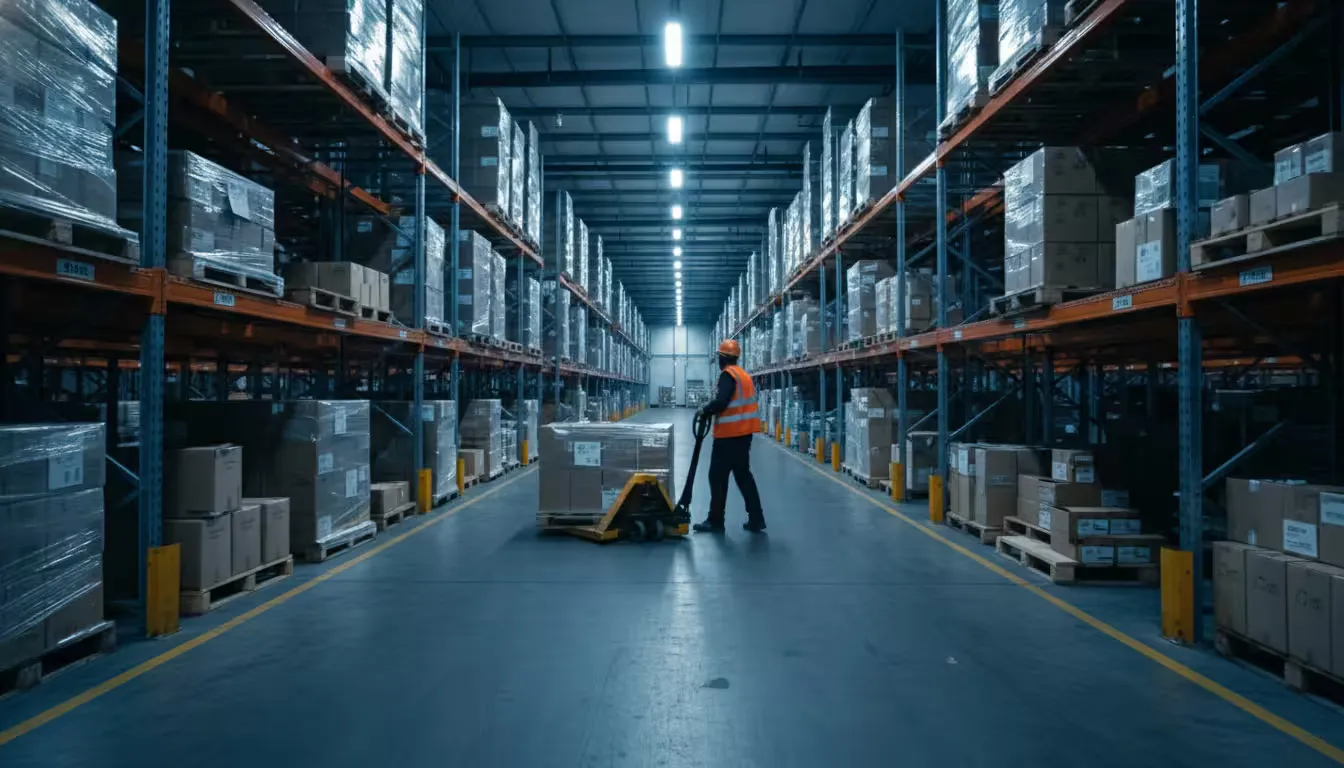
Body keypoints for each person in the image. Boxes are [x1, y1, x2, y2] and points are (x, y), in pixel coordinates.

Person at [693, 339, 766, 533]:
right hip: (744, 435)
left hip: (728, 438)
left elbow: (722, 401)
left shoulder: (727, 375)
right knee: (743, 476)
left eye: (719, 356)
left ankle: (715, 521)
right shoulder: (744, 376)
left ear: (723, 358)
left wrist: (705, 410)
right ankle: (757, 519)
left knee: (717, 477)